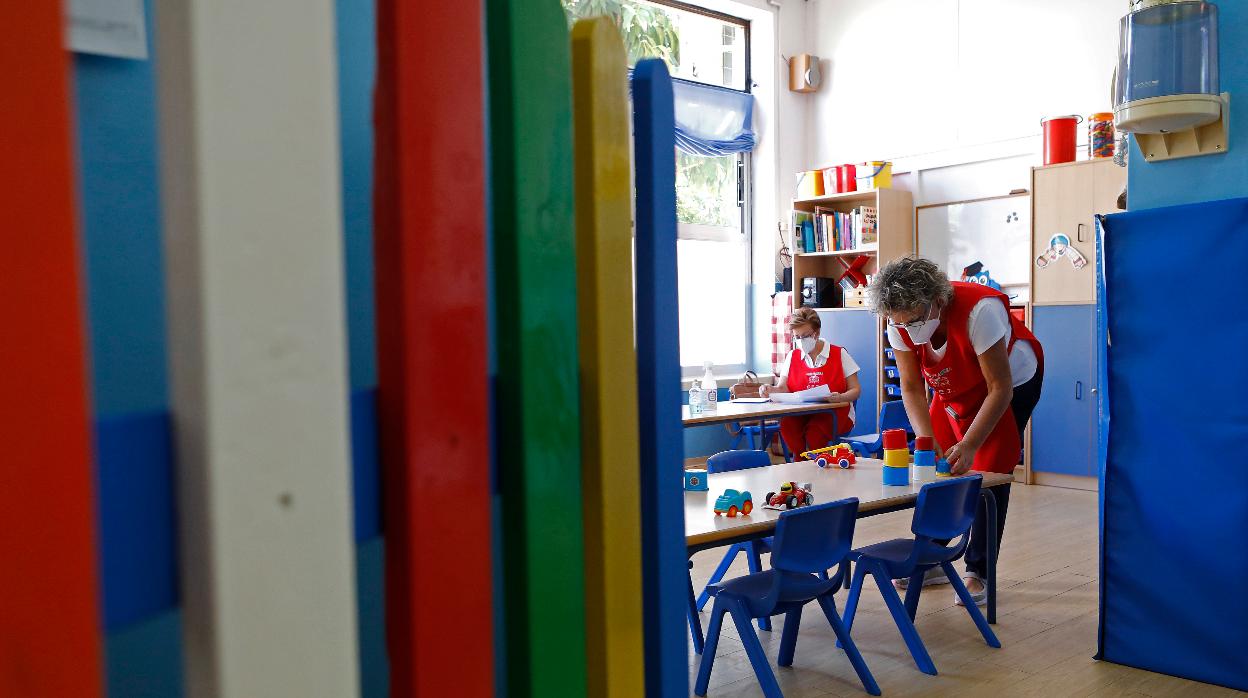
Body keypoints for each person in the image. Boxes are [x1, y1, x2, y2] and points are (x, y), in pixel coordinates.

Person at [868, 257, 1044, 605]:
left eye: (914, 320)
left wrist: (969, 444)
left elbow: (999, 388)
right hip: (955, 388)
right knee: (938, 468)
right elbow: (912, 387)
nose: (907, 329)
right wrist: (925, 439)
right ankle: (934, 556)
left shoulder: (980, 312)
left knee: (988, 474)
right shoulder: (898, 320)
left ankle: (978, 571)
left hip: (1010, 385)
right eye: (899, 323)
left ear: (937, 299)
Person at [760, 307, 862, 457]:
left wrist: (841, 397)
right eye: (797, 337)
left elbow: (856, 389)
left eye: (805, 336)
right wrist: (770, 389)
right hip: (801, 413)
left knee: (815, 434)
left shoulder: (838, 354)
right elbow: (783, 388)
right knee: (788, 426)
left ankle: (815, 466)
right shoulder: (792, 356)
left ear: (817, 333)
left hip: (834, 413)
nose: (801, 341)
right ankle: (801, 463)